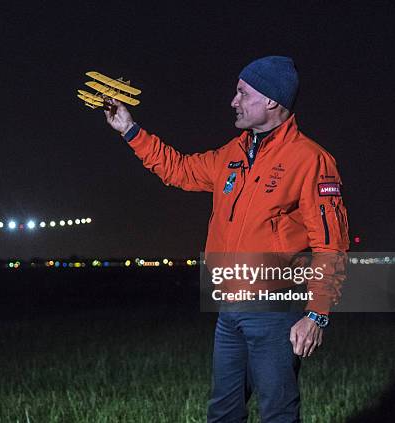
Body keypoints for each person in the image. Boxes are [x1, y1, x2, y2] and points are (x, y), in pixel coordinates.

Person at [103, 56, 349, 422]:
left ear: (270, 99)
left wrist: (317, 314)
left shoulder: (310, 160)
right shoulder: (231, 154)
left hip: (275, 307)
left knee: (277, 411)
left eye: (242, 93)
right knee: (223, 411)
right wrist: (130, 130)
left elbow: (331, 244)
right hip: (229, 306)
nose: (233, 102)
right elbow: (179, 170)